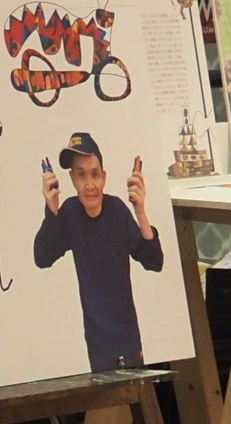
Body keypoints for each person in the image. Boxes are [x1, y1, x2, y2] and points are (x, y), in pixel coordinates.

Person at [33, 133, 166, 371]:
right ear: (72, 178)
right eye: (81, 175)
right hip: (97, 344)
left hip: (128, 337)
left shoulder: (117, 210)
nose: (89, 185)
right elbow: (42, 258)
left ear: (104, 177)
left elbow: (154, 262)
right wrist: (51, 211)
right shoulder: (70, 213)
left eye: (95, 174)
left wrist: (141, 213)